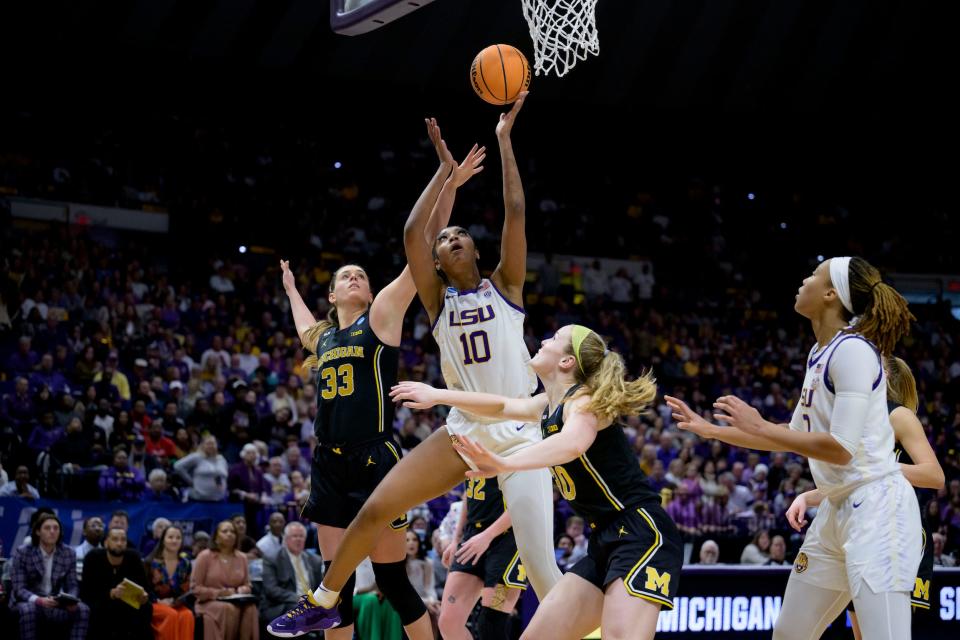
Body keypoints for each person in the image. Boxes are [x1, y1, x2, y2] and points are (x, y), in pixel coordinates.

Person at [271, 96, 564, 636]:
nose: (448, 239)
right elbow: (413, 234)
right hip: (461, 430)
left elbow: (516, 213)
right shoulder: (435, 301)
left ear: (475, 252)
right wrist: (443, 174)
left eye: (457, 236)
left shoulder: (507, 286)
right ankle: (324, 598)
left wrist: (504, 141)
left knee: (543, 571)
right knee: (375, 508)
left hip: (521, 434)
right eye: (444, 238)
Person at [266, 117, 466, 639]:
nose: (355, 277)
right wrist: (290, 289)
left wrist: (446, 181)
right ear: (332, 295)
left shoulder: (380, 315)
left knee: (393, 580)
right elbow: (304, 323)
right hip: (328, 462)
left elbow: (423, 247)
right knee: (339, 587)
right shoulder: (324, 339)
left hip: (374, 457)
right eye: (344, 276)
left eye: (361, 274)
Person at [667, 256, 920, 640]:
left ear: (831, 294)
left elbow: (841, 449)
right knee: (790, 633)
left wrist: (761, 425)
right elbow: (787, 433)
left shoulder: (853, 351)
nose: (803, 280)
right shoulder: (819, 353)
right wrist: (711, 431)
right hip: (838, 507)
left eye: (814, 275)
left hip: (878, 510)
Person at [391, 323, 683, 639]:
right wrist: (438, 395)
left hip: (641, 533)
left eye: (555, 338)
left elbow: (573, 444)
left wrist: (504, 462)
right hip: (603, 541)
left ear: (567, 362)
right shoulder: (548, 405)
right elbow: (502, 406)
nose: (544, 339)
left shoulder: (583, 401)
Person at [786, 355, 945, 638]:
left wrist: (882, 466)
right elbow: (852, 481)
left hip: (899, 533)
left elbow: (934, 475)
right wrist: (807, 498)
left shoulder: (897, 415)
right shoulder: (854, 420)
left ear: (883, 374)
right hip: (860, 529)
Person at [438, 476, 525, 640]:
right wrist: (456, 538)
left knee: (490, 625)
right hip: (473, 535)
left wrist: (488, 536)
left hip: (508, 541)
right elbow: (469, 494)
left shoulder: (518, 452)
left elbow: (524, 502)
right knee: (448, 623)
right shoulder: (471, 452)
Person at [10, 513, 90, 640]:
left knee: (83, 609)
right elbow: (19, 589)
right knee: (28, 610)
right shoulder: (23, 552)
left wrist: (71, 600)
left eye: (56, 528)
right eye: (47, 528)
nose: (52, 532)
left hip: (55, 600)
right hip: (30, 601)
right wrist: (39, 600)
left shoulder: (68, 553)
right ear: (37, 531)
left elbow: (73, 585)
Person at [191, 520, 258, 640]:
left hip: (236, 600)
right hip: (208, 602)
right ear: (216, 537)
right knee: (229, 608)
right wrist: (219, 593)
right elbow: (195, 588)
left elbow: (248, 584)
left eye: (232, 531)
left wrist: (243, 589)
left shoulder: (242, 557)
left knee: (251, 609)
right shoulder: (205, 556)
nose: (229, 534)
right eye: (225, 531)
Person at [80, 527, 152, 640]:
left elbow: (145, 588)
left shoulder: (133, 557)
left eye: (123, 540)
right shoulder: (93, 558)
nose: (119, 543)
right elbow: (86, 592)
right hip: (102, 603)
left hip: (129, 605)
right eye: (115, 539)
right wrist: (111, 593)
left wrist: (144, 597)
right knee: (99, 608)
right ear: (106, 542)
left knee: (146, 607)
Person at [260, 522, 324, 627]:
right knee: (298, 609)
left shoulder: (315, 560)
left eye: (301, 536)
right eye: (294, 536)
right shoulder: (272, 559)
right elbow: (271, 589)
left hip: (311, 603)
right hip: (281, 605)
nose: (298, 539)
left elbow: (319, 586)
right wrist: (298, 598)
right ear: (286, 539)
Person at [146, 525, 195, 640]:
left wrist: (175, 602)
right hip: (154, 603)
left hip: (175, 603)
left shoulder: (186, 564)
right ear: (163, 540)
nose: (174, 540)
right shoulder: (150, 562)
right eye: (170, 537)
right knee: (171, 614)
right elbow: (145, 588)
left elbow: (185, 590)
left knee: (187, 615)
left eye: (178, 538)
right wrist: (159, 601)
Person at [174, 435, 229, 501]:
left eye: (213, 443)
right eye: (208, 444)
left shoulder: (221, 459)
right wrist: (191, 482)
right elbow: (177, 466)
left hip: (219, 500)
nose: (211, 446)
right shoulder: (197, 457)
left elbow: (218, 476)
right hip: (199, 499)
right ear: (203, 445)